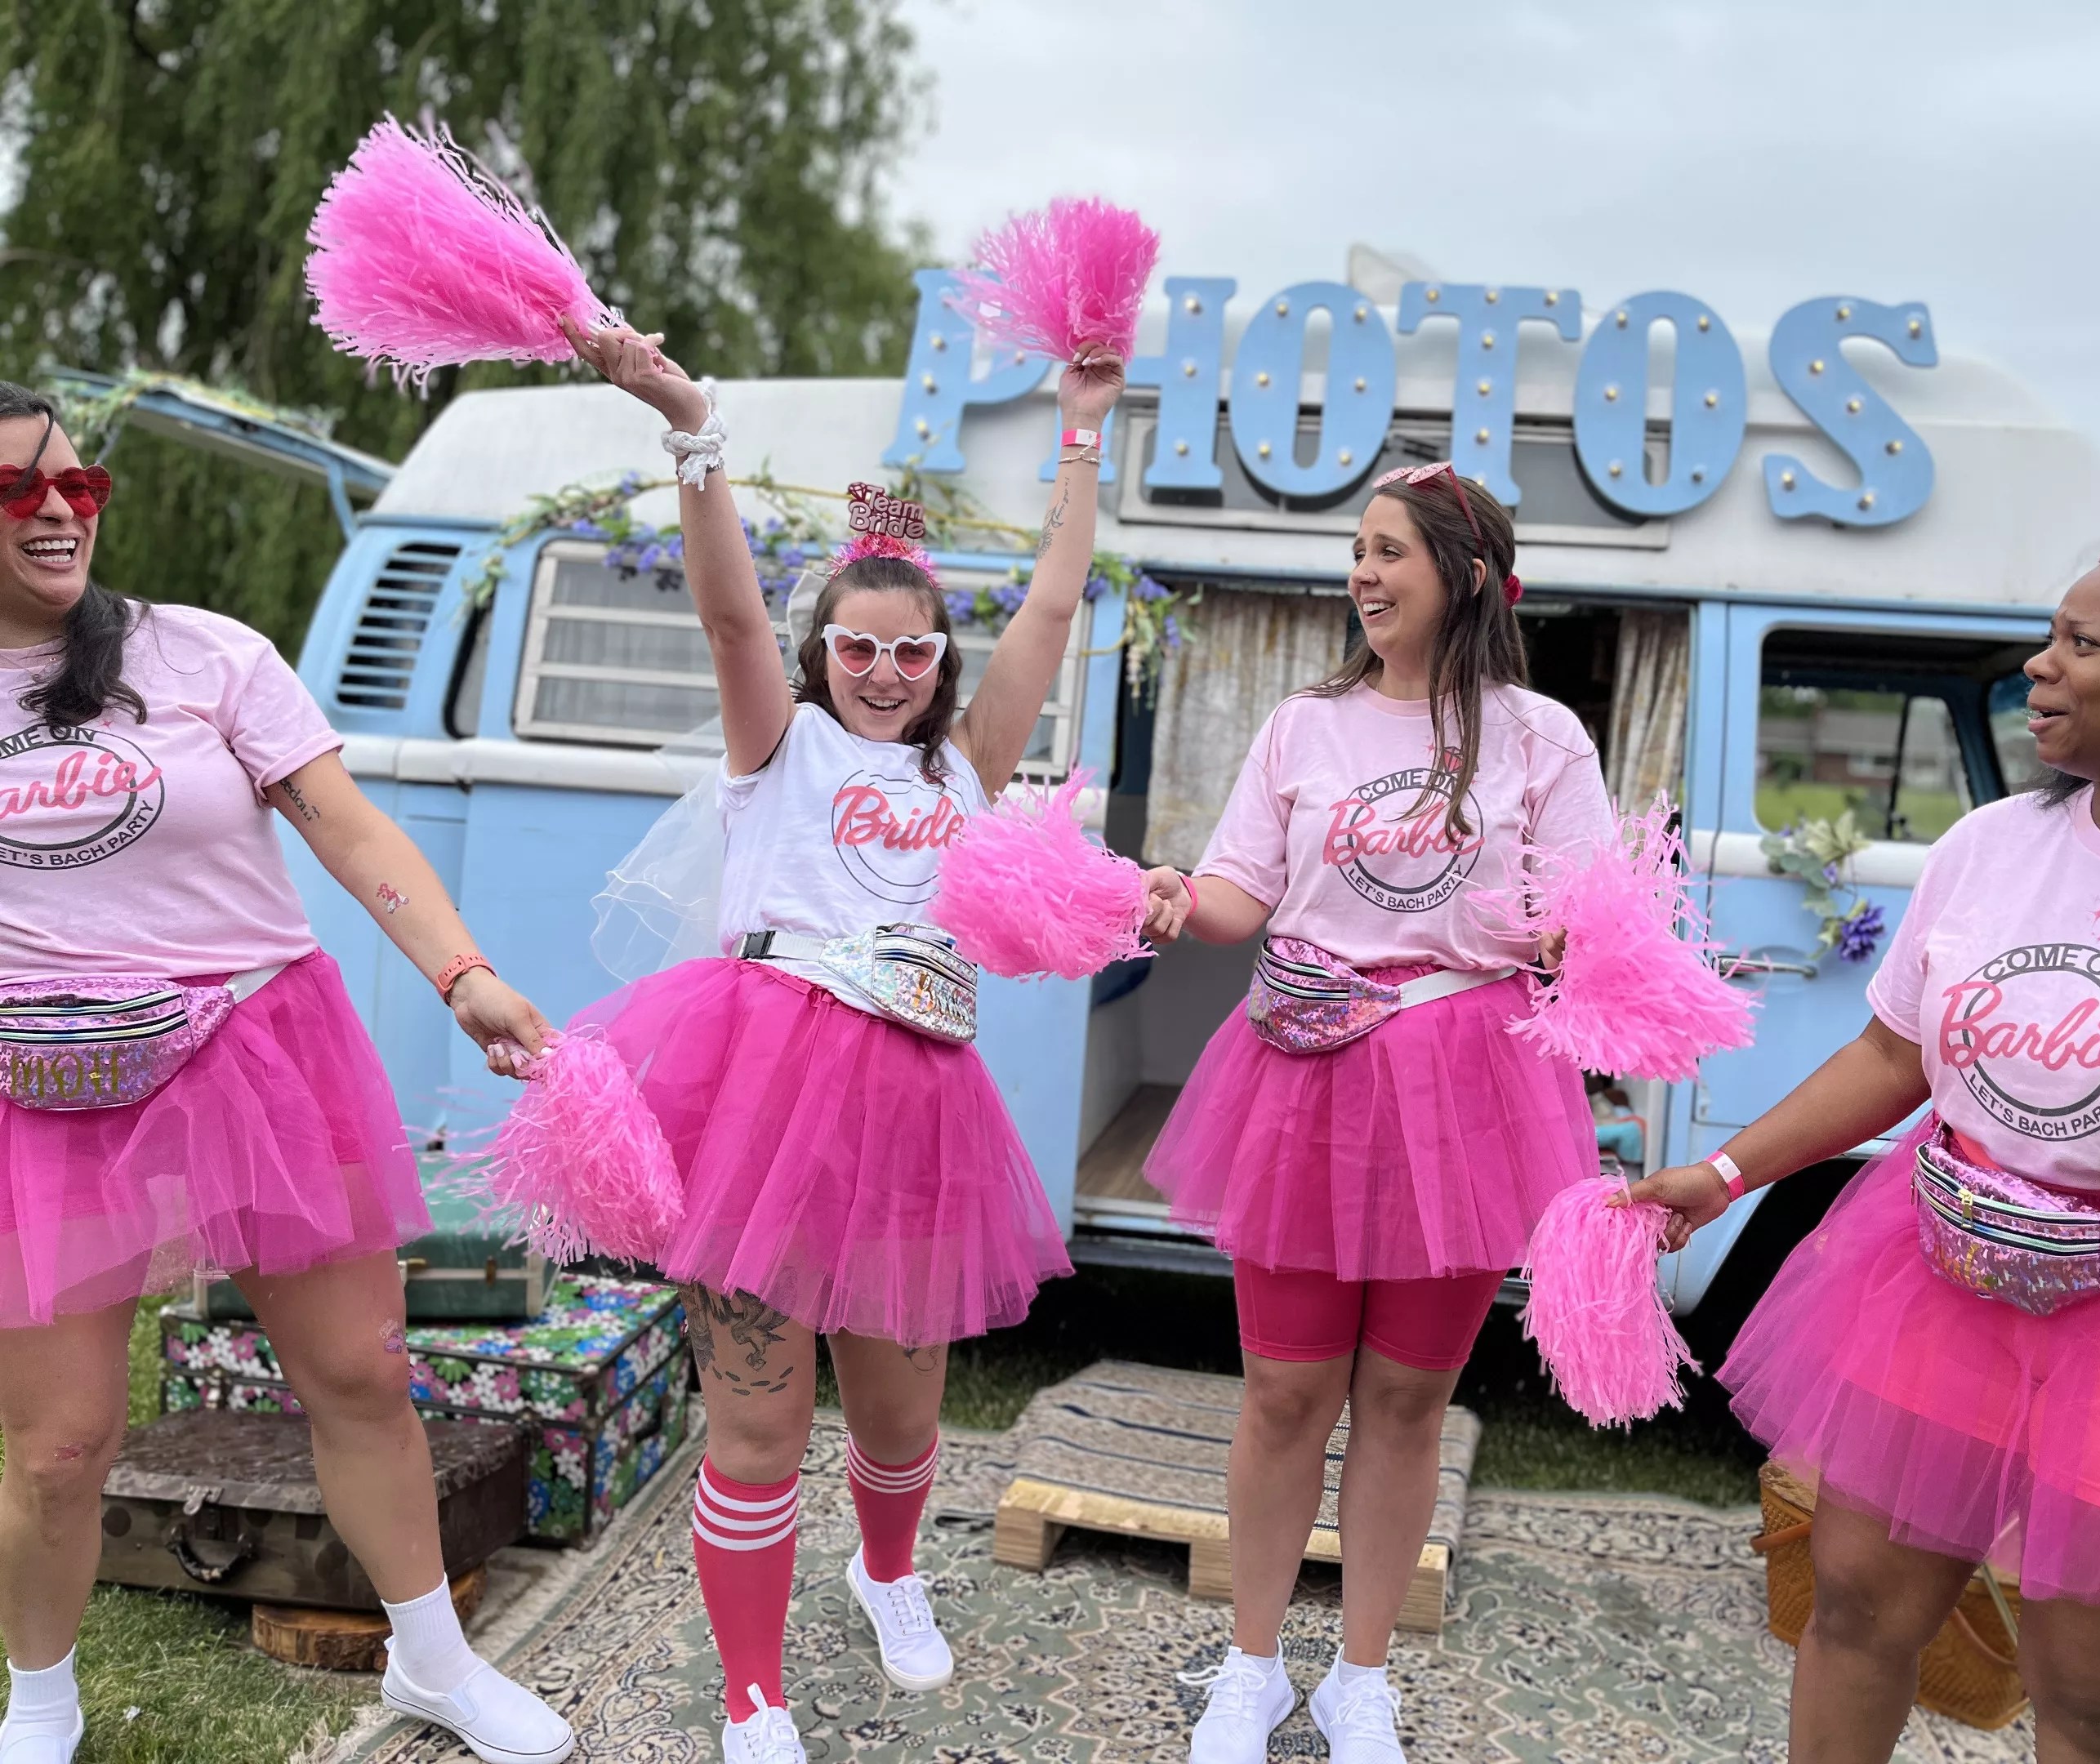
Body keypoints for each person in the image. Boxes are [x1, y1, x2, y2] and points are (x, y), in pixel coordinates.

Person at [1625, 480, 2100, 1764]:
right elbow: (1893, 1054)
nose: (2039, 666)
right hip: (1943, 1284)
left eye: (2085, 643)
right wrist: (1725, 1172)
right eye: (2048, 635)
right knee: (1855, 1610)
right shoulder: (1990, 845)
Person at [558, 318, 1157, 1764]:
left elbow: (1054, 608)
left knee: (898, 1422)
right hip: (765, 1100)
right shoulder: (779, 743)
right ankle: (751, 1695)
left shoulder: (969, 762)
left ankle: (887, 1572)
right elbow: (727, 619)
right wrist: (691, 429)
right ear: (822, 654)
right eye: (857, 648)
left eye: (910, 650)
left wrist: (1083, 433)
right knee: (759, 1431)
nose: (884, 671)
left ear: (940, 661)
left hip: (918, 1107)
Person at [0, 384, 575, 1764]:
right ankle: (41, 1706)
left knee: (361, 1374)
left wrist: (464, 974)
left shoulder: (201, 653)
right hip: (41, 1087)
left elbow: (350, 827)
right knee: (58, 1444)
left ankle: (433, 1662)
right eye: (20, 490)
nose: (60, 510)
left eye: (80, 485)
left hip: (256, 1052)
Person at [1136, 463, 1613, 1764]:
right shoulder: (1306, 727)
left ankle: (1361, 1679)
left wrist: (1581, 945)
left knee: (1407, 1399)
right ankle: (1251, 1669)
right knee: (1286, 1394)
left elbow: (1585, 921)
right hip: (1303, 1075)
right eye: (1358, 549)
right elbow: (1240, 893)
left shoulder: (1543, 740)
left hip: (1468, 1093)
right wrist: (1177, 895)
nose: (1363, 572)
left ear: (1467, 575)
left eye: (1390, 550)